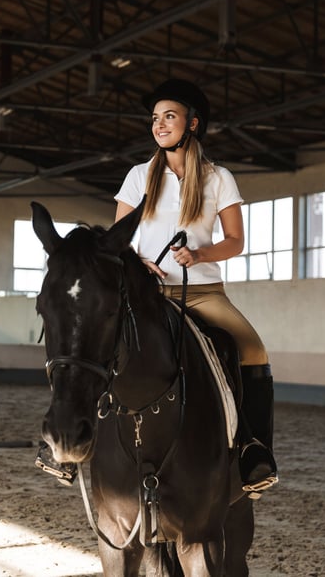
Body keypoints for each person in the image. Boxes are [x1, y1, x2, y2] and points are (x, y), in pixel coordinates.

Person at [111, 77, 278, 496]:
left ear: (193, 124)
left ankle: (254, 450)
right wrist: (138, 261)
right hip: (146, 293)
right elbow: (118, 235)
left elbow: (236, 241)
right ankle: (66, 443)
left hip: (203, 293)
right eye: (155, 118)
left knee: (253, 349)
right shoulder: (138, 175)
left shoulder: (218, 178)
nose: (159, 125)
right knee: (91, 337)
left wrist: (200, 255)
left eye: (169, 116)